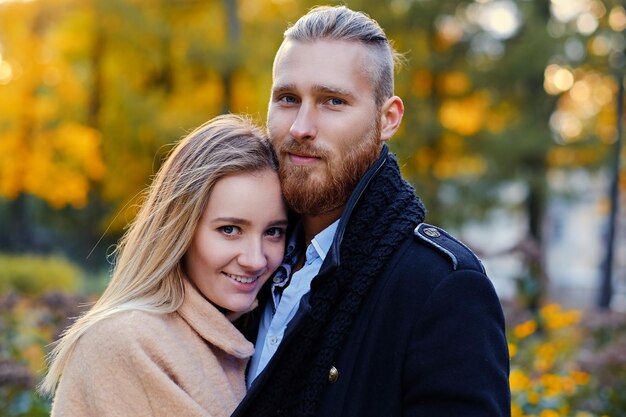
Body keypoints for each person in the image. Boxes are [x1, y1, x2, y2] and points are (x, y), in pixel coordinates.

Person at [233, 5, 510, 417]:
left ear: (388, 119)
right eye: (288, 98)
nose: (301, 127)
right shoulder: (243, 265)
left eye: (333, 101)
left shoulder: (440, 288)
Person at [39, 114, 288, 417]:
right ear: (180, 229)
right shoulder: (127, 341)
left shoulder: (242, 333)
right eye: (230, 229)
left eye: (273, 231)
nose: (256, 259)